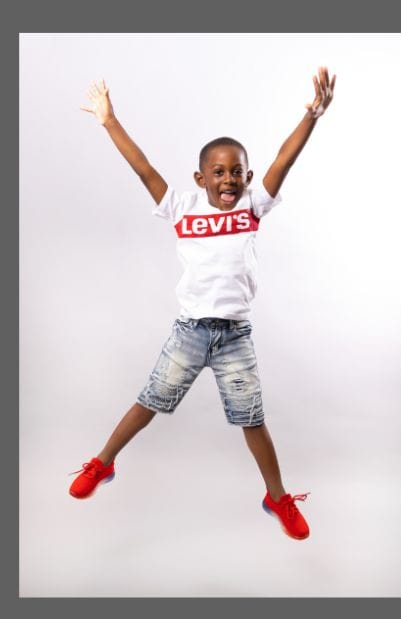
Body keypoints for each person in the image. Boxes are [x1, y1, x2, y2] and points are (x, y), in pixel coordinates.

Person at [69, 68, 336, 539]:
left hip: (235, 336)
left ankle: (277, 497)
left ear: (248, 177)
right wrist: (110, 121)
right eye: (218, 172)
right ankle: (102, 463)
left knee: (252, 419)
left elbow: (284, 159)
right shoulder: (182, 206)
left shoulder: (254, 205)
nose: (228, 179)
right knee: (148, 402)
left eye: (237, 171)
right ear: (201, 177)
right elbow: (143, 167)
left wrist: (311, 115)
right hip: (190, 332)